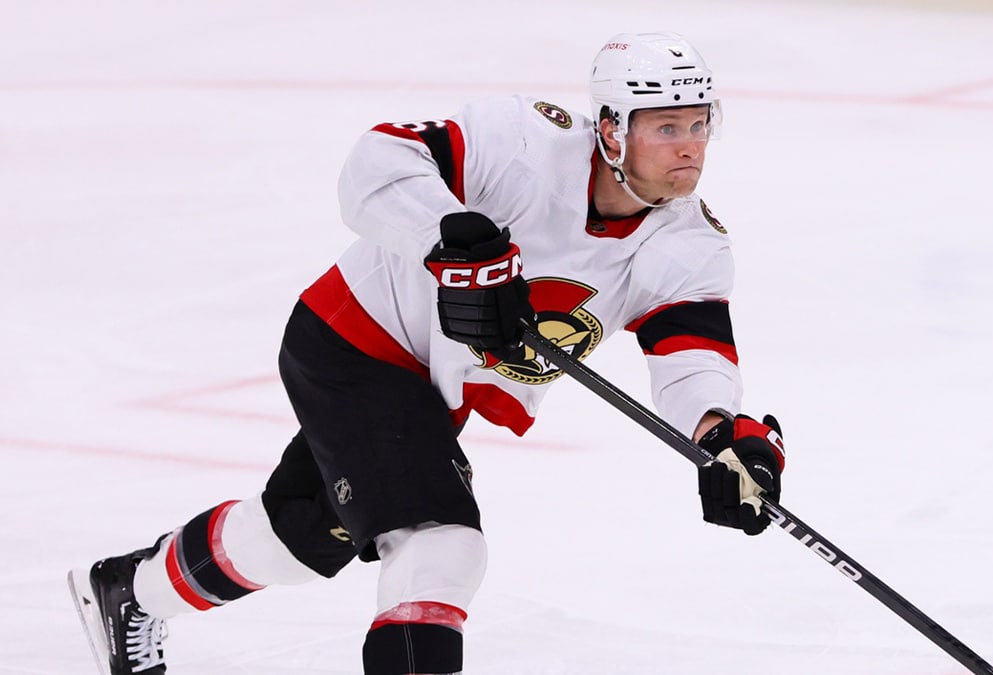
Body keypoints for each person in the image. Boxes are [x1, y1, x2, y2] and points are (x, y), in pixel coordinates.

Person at [67, 31, 787, 675]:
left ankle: (130, 590)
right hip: (357, 341)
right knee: (442, 544)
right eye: (666, 127)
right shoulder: (523, 143)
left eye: (698, 124)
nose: (690, 146)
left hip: (434, 390)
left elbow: (691, 358)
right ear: (608, 130)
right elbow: (374, 163)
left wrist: (721, 436)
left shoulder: (690, 243)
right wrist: (451, 235)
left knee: (300, 537)